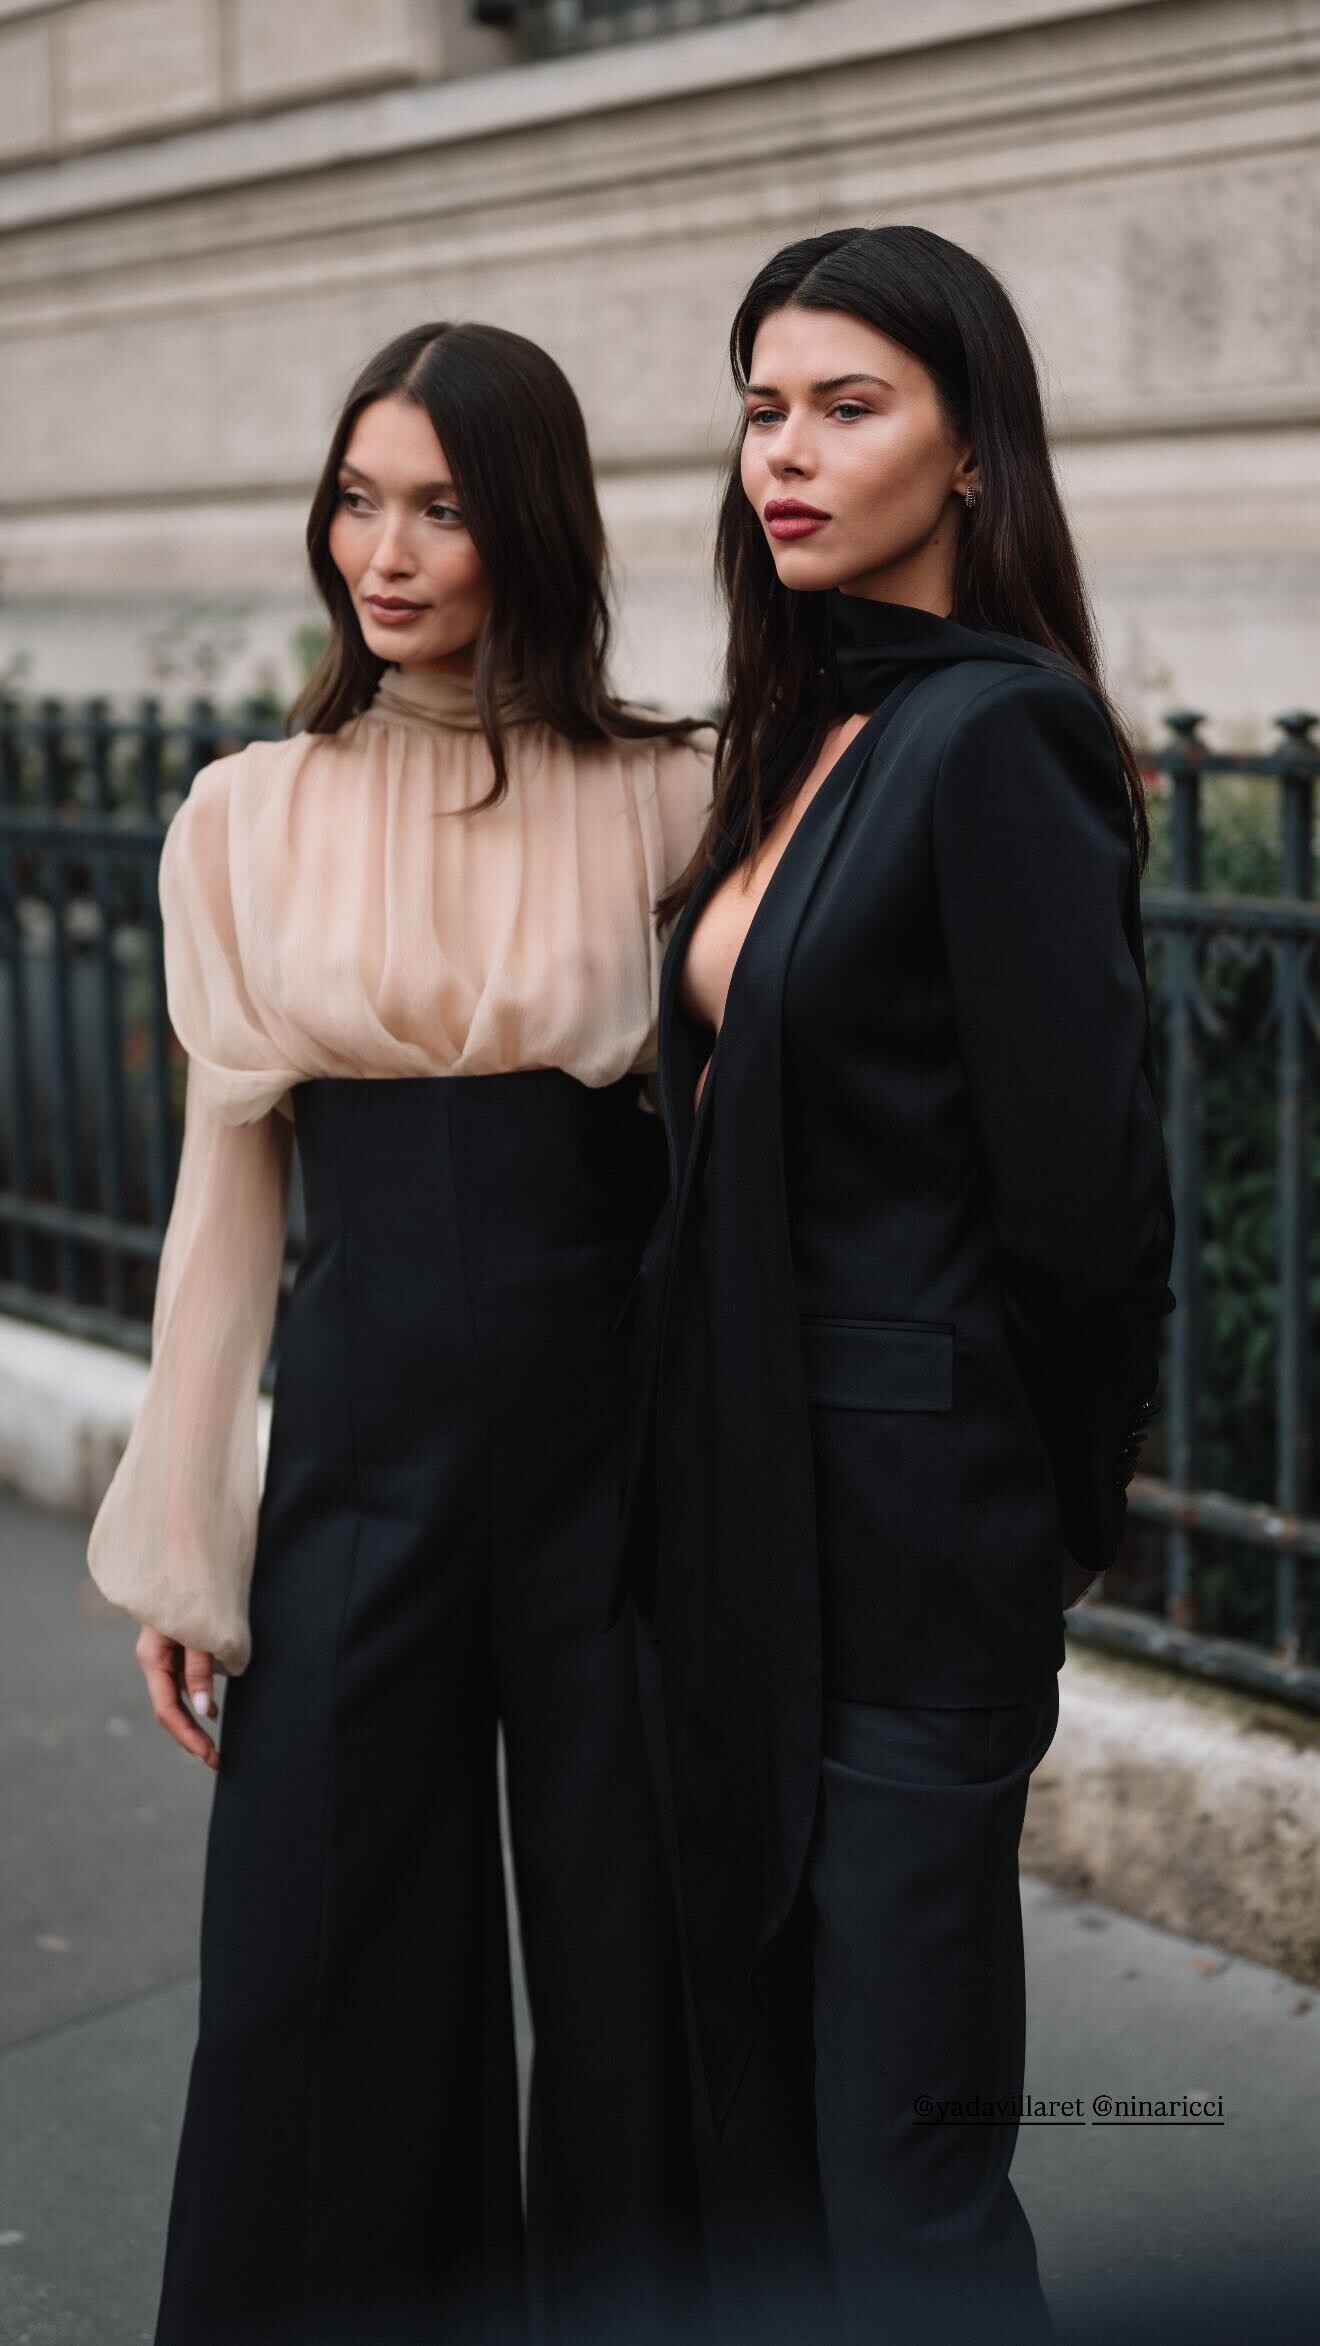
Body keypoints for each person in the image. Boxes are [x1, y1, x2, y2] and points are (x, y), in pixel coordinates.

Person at [88, 319, 713, 2346]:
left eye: (441, 507)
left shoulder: (673, 796)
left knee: (642, 1980)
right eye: (358, 501)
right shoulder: (244, 817)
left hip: (620, 1462)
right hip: (359, 1457)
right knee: (312, 1972)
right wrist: (190, 1544)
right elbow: (224, 1204)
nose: (388, 550)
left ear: (531, 524)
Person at [614, 225, 1176, 2345]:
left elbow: (1086, 1208)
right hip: (737, 1531)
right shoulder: (805, 727)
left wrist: (1056, 1504)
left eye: (848, 406)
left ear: (971, 451)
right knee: (761, 2134)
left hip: (915, 1554)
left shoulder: (1003, 736)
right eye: (762, 407)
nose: (785, 449)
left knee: (904, 2176)